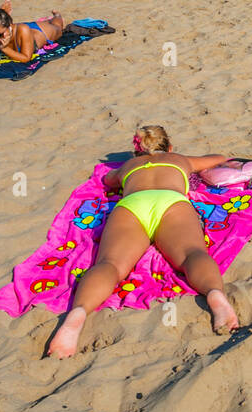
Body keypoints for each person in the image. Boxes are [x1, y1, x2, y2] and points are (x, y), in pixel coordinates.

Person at [47, 125, 241, 358]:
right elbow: (218, 158)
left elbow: (108, 180)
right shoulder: (178, 159)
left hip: (132, 205)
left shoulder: (128, 166)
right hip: (170, 201)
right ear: (168, 147)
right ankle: (215, 296)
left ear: (137, 151)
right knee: (192, 253)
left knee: (110, 264)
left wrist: (127, 169)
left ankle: (77, 314)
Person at [0, 4, 66, 67]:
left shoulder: (23, 30)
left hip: (40, 32)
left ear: (9, 25)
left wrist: (4, 48)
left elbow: (26, 58)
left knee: (57, 27)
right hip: (18, 29)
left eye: (0, 35)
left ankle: (57, 15)